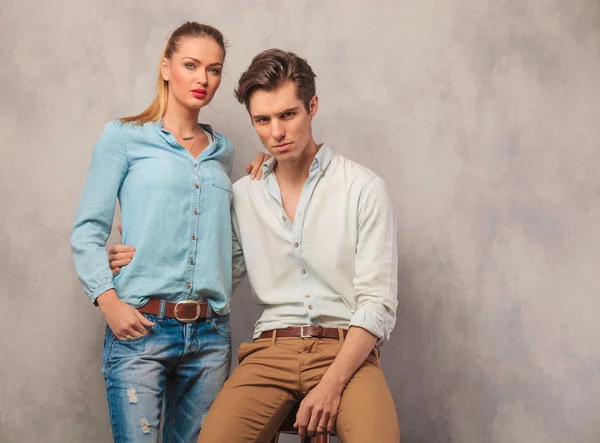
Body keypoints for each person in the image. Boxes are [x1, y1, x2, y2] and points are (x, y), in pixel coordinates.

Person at [71, 22, 266, 443]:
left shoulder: (223, 151)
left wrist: (261, 180)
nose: (203, 79)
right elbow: (87, 231)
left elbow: (225, 237)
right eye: (190, 65)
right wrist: (109, 301)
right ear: (165, 67)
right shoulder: (123, 138)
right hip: (142, 329)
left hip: (211, 338)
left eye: (214, 69)